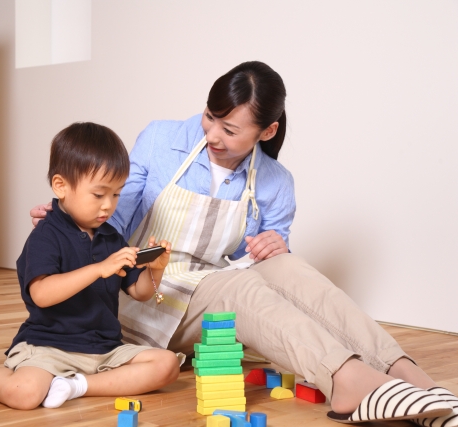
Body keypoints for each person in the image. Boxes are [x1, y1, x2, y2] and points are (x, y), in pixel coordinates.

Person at [31, 62, 458, 425]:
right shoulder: (161, 140)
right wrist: (69, 219)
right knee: (238, 287)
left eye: (230, 128)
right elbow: (113, 222)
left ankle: (406, 375)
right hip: (146, 294)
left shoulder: (275, 181)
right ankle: (345, 379)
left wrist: (275, 247)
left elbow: (275, 280)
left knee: (289, 267)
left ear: (267, 131)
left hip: (213, 297)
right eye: (210, 117)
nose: (214, 134)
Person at [0, 122, 180, 410]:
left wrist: (156, 269)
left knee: (166, 365)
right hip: (48, 346)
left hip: (104, 349)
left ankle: (74, 386)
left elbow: (139, 292)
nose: (108, 206)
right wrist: (98, 269)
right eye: (98, 195)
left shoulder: (112, 238)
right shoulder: (46, 235)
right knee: (24, 393)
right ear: (60, 186)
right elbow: (41, 293)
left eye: (116, 194)